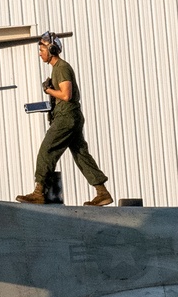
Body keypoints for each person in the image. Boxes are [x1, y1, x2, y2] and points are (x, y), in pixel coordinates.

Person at [17, 32, 113, 206]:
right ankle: (102, 192)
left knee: (47, 150)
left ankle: (39, 192)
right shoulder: (58, 69)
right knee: (81, 155)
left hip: (66, 117)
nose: (40, 53)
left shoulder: (61, 68)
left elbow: (66, 95)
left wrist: (49, 91)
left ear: (52, 49)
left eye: (42, 49)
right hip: (71, 116)